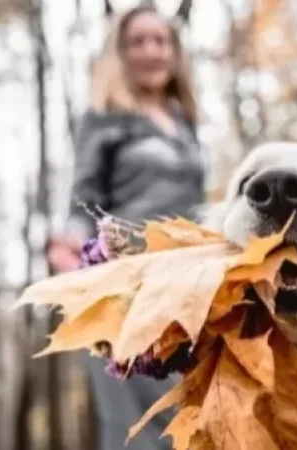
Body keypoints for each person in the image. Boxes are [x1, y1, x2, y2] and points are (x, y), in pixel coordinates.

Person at [47, 5, 205, 450]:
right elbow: (83, 198)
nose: (151, 50)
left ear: (174, 52)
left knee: (188, 420)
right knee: (133, 429)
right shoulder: (104, 117)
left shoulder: (185, 122)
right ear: (121, 53)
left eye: (161, 40)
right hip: (124, 290)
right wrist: (71, 243)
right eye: (138, 41)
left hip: (187, 290)